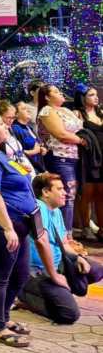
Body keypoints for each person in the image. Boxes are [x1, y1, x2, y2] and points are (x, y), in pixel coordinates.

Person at [0, 109, 61, 348]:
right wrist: (7, 228)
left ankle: (3, 317)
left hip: (18, 223)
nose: (6, 126)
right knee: (0, 276)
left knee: (20, 274)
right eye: (0, 123)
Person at [21, 172, 103, 324]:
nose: (65, 192)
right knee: (69, 314)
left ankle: (59, 292)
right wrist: (54, 275)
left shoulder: (56, 211)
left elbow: (64, 243)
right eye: (59, 189)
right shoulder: (38, 208)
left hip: (57, 265)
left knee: (96, 270)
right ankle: (26, 296)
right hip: (37, 272)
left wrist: (78, 257)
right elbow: (42, 242)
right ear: (45, 192)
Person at [37, 84, 84, 234]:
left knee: (71, 196)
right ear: (47, 97)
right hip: (60, 158)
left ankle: (67, 235)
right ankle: (65, 238)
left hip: (75, 157)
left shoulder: (65, 110)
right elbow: (61, 134)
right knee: (64, 197)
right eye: (56, 92)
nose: (61, 93)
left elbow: (80, 128)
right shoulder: (46, 111)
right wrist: (83, 140)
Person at [74, 85, 103, 241]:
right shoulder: (78, 114)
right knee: (87, 194)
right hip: (87, 159)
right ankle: (85, 227)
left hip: (102, 157)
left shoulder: (101, 113)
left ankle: (101, 228)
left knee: (101, 194)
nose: (96, 97)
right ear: (83, 97)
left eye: (96, 94)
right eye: (91, 95)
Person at [11, 101, 46, 175]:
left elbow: (37, 145)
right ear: (16, 114)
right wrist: (34, 151)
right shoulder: (15, 129)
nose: (28, 110)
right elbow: (14, 153)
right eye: (24, 109)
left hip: (39, 167)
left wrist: (41, 149)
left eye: (28, 108)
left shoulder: (29, 128)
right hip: (28, 169)